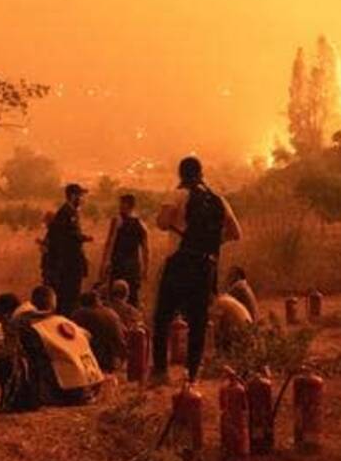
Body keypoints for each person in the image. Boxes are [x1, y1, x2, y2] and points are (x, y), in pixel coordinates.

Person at [151, 156, 242, 384]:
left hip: (180, 262)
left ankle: (161, 371)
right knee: (198, 321)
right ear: (201, 173)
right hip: (206, 265)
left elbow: (162, 222)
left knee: (162, 316)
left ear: (181, 174)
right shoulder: (218, 199)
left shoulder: (179, 194)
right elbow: (235, 232)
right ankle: (193, 373)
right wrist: (208, 243)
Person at [10, 285, 104, 407]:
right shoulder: (66, 322)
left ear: (33, 303)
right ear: (54, 304)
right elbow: (88, 336)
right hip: (93, 386)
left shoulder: (31, 328)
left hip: (64, 392)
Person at [44, 184, 93, 316]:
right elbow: (71, 236)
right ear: (73, 196)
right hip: (70, 264)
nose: (82, 199)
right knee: (70, 297)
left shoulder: (66, 212)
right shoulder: (69, 212)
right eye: (81, 196)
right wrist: (85, 238)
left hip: (67, 263)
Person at [99, 194, 150, 307]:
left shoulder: (118, 221)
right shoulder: (140, 223)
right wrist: (145, 269)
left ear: (129, 206)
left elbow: (110, 243)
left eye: (123, 204)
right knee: (130, 298)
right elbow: (146, 249)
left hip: (122, 265)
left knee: (118, 297)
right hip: (129, 266)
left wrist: (104, 263)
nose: (120, 207)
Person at [70, 291, 127, 373]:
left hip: (93, 360)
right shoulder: (112, 313)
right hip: (113, 359)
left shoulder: (80, 314)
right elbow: (122, 336)